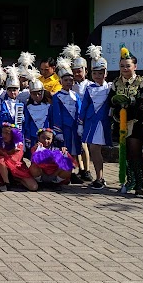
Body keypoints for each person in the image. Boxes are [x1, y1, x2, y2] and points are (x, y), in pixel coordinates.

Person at [110, 47, 143, 195]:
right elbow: (111, 101)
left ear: (135, 66)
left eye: (128, 65)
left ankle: (140, 184)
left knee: (135, 152)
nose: (125, 68)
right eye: (122, 66)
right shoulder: (115, 82)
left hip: (136, 121)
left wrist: (133, 103)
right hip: (121, 122)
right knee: (124, 152)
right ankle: (130, 180)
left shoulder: (142, 82)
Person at [80, 45, 112, 190]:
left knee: (94, 149)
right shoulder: (89, 88)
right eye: (95, 73)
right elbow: (84, 106)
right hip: (90, 122)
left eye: (101, 73)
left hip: (102, 123)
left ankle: (100, 177)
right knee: (93, 150)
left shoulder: (110, 88)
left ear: (105, 73)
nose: (98, 76)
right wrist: (80, 123)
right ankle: (99, 177)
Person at [49, 56, 83, 184]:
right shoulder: (57, 97)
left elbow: (79, 110)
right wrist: (58, 131)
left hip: (74, 128)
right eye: (66, 80)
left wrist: (80, 125)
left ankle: (72, 172)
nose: (69, 82)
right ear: (61, 81)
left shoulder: (75, 96)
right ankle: (64, 173)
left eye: (71, 80)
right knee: (65, 150)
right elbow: (56, 114)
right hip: (64, 127)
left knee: (74, 150)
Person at [67, 44, 93, 180]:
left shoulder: (90, 85)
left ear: (86, 71)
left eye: (80, 71)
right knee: (74, 144)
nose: (77, 73)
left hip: (85, 118)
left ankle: (87, 170)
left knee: (84, 145)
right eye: (75, 71)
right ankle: (79, 168)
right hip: (73, 118)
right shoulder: (70, 86)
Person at [0, 123, 37, 191]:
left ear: (13, 135)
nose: (4, 135)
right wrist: (5, 152)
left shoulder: (18, 145)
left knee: (33, 187)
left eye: (7, 133)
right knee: (0, 160)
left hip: (17, 168)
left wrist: (2, 152)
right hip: (3, 169)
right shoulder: (0, 142)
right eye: (3, 132)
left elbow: (15, 160)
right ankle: (6, 183)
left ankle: (16, 179)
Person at [22, 67, 50, 151]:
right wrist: (27, 137)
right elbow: (26, 123)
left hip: (47, 138)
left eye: (39, 93)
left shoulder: (49, 106)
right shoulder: (27, 107)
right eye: (34, 94)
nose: (37, 96)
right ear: (30, 94)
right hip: (33, 137)